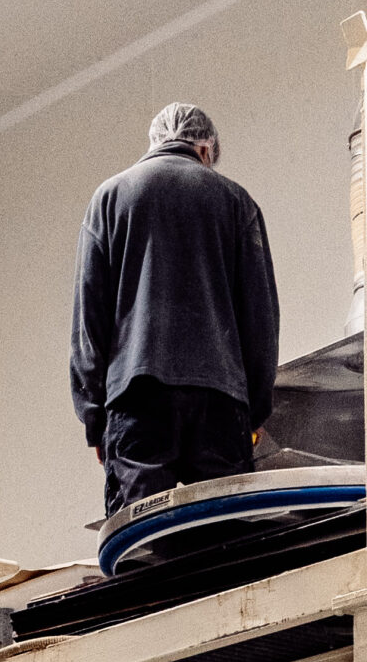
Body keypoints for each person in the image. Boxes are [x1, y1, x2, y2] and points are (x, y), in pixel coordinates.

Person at [69, 103, 281, 516]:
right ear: (205, 149)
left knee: (142, 534)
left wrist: (95, 417)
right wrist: (254, 411)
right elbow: (261, 320)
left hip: (137, 397)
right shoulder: (237, 203)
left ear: (156, 143)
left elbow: (88, 320)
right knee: (224, 536)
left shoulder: (109, 198)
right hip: (221, 402)